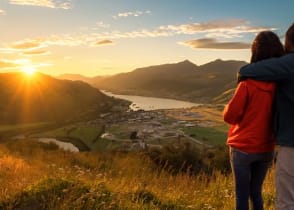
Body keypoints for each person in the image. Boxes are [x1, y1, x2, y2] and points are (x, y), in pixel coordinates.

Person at [223, 31, 285, 210]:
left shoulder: (247, 84)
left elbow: (230, 116)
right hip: (266, 148)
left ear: (255, 51)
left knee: (241, 195)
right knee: (256, 192)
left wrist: (227, 107)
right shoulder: (281, 86)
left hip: (242, 148)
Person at [238, 23, 294, 210]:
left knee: (286, 201)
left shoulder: (288, 64)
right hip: (268, 148)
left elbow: (246, 71)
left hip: (291, 146)